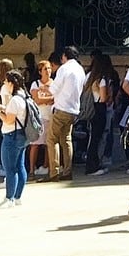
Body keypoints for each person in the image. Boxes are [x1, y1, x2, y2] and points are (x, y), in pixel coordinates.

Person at [0, 69, 35, 208]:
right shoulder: (24, 96)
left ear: (11, 83)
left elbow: (9, 120)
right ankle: (17, 197)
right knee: (20, 166)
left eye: (6, 81)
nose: (4, 84)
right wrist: (1, 107)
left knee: (10, 168)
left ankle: (9, 198)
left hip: (11, 135)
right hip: (22, 134)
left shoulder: (14, 100)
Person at [49, 46, 86, 182]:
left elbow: (54, 88)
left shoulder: (64, 68)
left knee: (52, 139)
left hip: (61, 108)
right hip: (73, 109)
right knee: (66, 139)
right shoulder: (80, 70)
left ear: (65, 56)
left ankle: (54, 172)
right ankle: (67, 171)